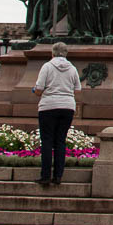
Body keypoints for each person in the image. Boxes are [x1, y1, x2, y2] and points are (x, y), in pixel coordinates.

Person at [31, 42, 81, 185]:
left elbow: (39, 88)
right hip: (67, 107)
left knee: (47, 141)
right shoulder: (72, 68)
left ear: (52, 53)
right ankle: (58, 175)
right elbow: (78, 89)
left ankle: (45, 175)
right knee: (60, 141)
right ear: (66, 54)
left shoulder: (47, 67)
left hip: (48, 106)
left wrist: (35, 91)